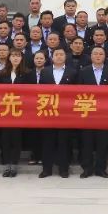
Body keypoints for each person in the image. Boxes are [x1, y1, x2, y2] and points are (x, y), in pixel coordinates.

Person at [76, 45, 108, 179]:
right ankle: (87, 168)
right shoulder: (83, 71)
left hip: (105, 113)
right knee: (87, 142)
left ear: (105, 57)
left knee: (103, 143)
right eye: (95, 54)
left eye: (100, 54)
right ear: (91, 56)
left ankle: (101, 169)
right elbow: (78, 92)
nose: (98, 56)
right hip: (88, 112)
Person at [39, 47, 76, 178]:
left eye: (61, 54)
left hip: (65, 113)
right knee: (47, 141)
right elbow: (40, 91)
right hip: (48, 111)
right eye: (56, 54)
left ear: (65, 57)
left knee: (63, 141)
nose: (59, 56)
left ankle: (63, 169)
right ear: (52, 57)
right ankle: (46, 169)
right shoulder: (45, 71)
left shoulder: (72, 72)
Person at [0, 48, 27, 177]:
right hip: (5, 110)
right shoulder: (2, 73)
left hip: (20, 110)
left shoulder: (26, 73)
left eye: (18, 55)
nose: (15, 58)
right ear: (9, 58)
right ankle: (6, 164)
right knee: (5, 138)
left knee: (16, 138)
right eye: (13, 55)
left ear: (21, 58)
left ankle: (14, 164)